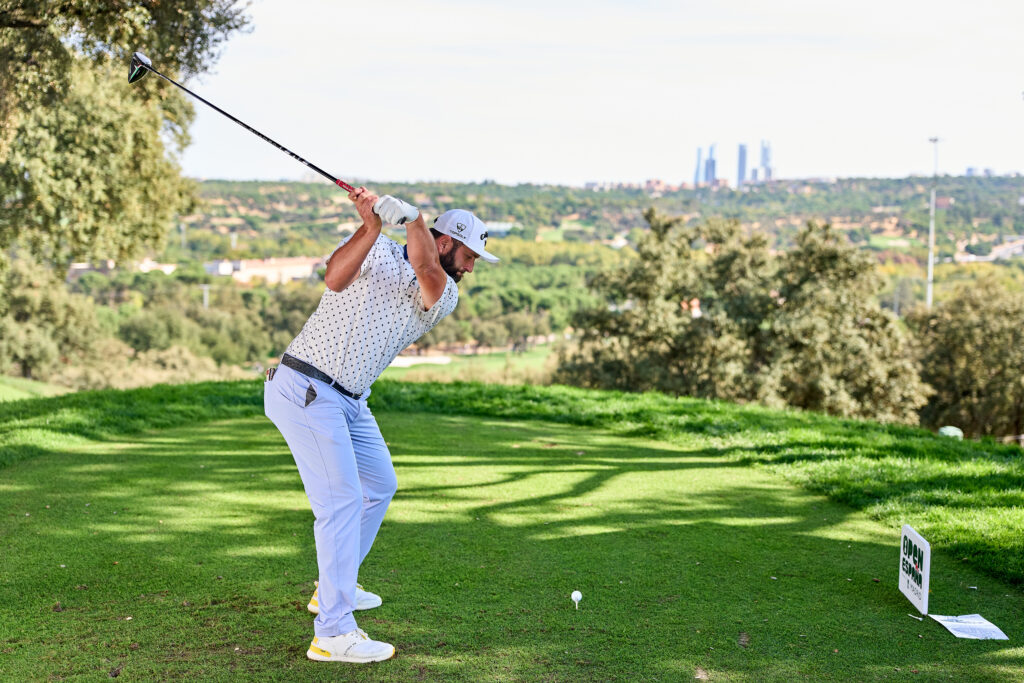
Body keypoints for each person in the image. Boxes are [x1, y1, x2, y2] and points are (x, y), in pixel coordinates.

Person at [264, 187, 498, 663]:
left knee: (380, 485)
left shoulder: (444, 290)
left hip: (350, 398)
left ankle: (334, 586)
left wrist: (412, 219)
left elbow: (428, 272)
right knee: (343, 501)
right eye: (469, 255)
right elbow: (333, 279)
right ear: (447, 240)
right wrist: (371, 226)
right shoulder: (379, 252)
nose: (470, 267)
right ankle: (332, 631)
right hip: (307, 387)